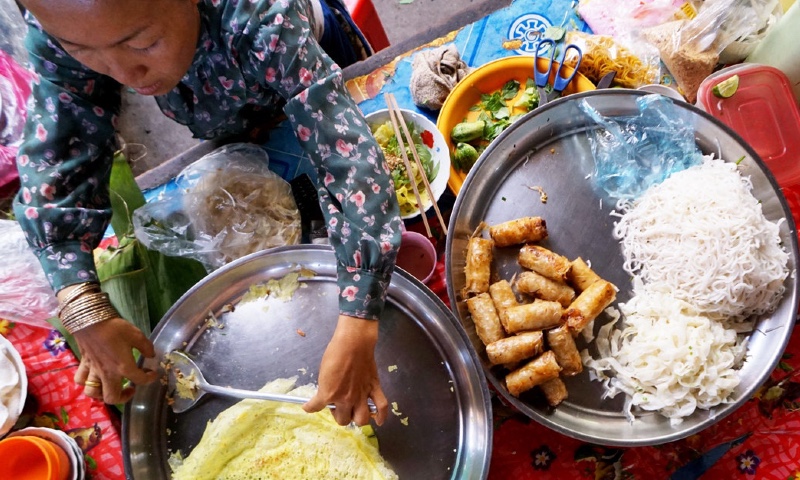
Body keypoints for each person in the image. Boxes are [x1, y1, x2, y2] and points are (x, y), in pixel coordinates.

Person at [13, 0, 402, 427]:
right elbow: (59, 156)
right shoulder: (69, 20)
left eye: (143, 43)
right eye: (82, 51)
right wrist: (80, 303)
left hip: (303, 66)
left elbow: (346, 157)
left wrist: (358, 321)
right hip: (219, 101)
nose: (122, 76)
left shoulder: (260, 16)